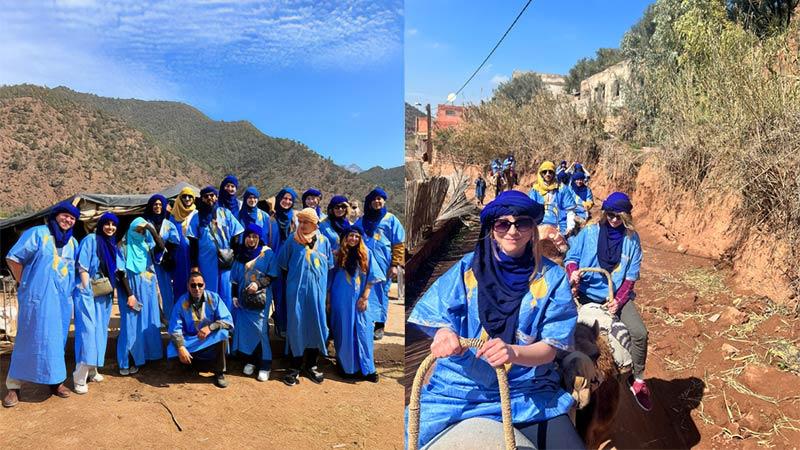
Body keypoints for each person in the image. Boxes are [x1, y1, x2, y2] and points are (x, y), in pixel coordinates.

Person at [406, 191, 583, 449]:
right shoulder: (467, 269)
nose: (512, 231)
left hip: (527, 392)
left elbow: (550, 348)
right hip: (458, 389)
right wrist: (444, 333)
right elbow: (438, 314)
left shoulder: (552, 278)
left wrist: (513, 352)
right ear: (492, 229)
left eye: (521, 223)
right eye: (503, 224)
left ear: (532, 228)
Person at [564, 192, 650, 411]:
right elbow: (572, 258)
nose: (613, 220)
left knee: (639, 333)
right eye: (610, 214)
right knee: (560, 331)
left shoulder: (632, 239)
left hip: (614, 296)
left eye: (618, 216)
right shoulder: (589, 233)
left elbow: (631, 276)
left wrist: (618, 301)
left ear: (626, 217)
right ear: (604, 214)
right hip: (581, 295)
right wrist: (573, 273)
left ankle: (637, 379)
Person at [3, 201, 80, 407]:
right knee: (28, 338)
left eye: (72, 218)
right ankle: (14, 387)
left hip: (60, 302)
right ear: (56, 216)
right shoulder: (38, 234)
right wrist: (24, 283)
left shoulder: (72, 243)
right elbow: (13, 258)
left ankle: (55, 382)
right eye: (65, 215)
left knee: (56, 341)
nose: (68, 220)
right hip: (36, 301)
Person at [277, 208, 334, 386]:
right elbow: (283, 265)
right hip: (296, 293)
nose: (302, 225)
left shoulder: (324, 242)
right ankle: (294, 367)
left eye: (306, 222)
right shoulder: (292, 241)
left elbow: (329, 266)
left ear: (315, 224)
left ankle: (311, 365)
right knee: (297, 326)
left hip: (317, 293)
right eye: (300, 221)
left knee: (316, 325)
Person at [72, 212, 126, 394]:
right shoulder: (91, 240)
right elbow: (83, 266)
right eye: (107, 223)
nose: (110, 227)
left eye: (113, 224)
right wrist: (88, 289)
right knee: (88, 332)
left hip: (104, 294)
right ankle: (79, 376)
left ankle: (92, 368)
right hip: (87, 293)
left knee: (100, 332)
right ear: (100, 224)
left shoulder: (113, 246)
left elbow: (120, 270)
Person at [328, 224, 384, 382]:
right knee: (344, 332)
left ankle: (368, 369)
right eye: (350, 236)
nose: (353, 239)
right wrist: (328, 299)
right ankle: (347, 368)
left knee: (364, 331)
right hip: (341, 300)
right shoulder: (337, 255)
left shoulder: (366, 254)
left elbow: (372, 277)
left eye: (356, 236)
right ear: (345, 238)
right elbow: (330, 278)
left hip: (360, 300)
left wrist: (365, 296)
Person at [167, 271, 234, 388]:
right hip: (191, 340)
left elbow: (227, 321)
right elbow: (174, 328)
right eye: (193, 285)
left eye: (200, 285)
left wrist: (210, 327)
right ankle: (191, 363)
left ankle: (219, 372)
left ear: (204, 285)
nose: (196, 288)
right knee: (174, 348)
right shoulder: (181, 302)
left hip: (208, 338)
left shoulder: (214, 298)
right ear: (188, 286)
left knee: (223, 333)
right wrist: (181, 347)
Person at [117, 216, 165, 375]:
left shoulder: (147, 244)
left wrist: (151, 229)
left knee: (148, 321)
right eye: (137, 229)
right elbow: (121, 273)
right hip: (132, 292)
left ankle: (146, 357)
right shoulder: (123, 247)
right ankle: (128, 360)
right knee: (131, 325)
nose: (140, 232)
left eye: (142, 230)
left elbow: (161, 247)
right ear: (130, 229)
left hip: (149, 291)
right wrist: (130, 295)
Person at [356, 187, 405, 341]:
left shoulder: (390, 219)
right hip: (364, 264)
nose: (377, 201)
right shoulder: (362, 221)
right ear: (370, 202)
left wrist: (395, 264)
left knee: (381, 293)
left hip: (384, 265)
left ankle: (379, 325)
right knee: (365, 292)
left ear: (384, 201)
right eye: (374, 199)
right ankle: (367, 322)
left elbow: (398, 244)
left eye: (380, 199)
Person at [231, 223, 277, 382]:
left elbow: (272, 275)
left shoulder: (267, 254)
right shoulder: (239, 255)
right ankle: (250, 360)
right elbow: (235, 280)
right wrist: (234, 296)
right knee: (246, 330)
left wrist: (258, 284)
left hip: (260, 299)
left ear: (259, 238)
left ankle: (265, 364)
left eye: (255, 237)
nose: (251, 240)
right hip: (243, 300)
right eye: (249, 236)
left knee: (260, 331)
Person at [187, 186, 244, 313]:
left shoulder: (225, 213)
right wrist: (194, 265)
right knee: (209, 291)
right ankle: (211, 319)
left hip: (225, 260)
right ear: (202, 199)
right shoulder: (197, 217)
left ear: (216, 197)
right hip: (206, 261)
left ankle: (227, 322)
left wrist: (233, 252)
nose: (209, 198)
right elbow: (193, 242)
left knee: (226, 290)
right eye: (206, 196)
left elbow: (237, 233)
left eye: (212, 195)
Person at [143, 194, 181, 322]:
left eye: (160, 205)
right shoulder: (145, 224)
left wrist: (168, 255)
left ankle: (169, 318)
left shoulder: (169, 224)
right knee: (151, 290)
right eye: (155, 204)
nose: (157, 207)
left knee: (166, 291)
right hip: (148, 262)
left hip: (164, 262)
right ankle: (154, 318)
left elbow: (175, 241)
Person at [528, 161, 576, 251]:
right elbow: (530, 211)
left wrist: (570, 227)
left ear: (554, 173)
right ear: (541, 174)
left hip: (560, 226)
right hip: (539, 225)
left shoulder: (562, 188)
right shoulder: (535, 190)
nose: (548, 174)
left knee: (572, 248)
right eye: (545, 172)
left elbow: (570, 210)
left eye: (550, 172)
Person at [272, 187, 298, 335]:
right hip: (274, 263)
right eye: (285, 198)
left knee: (289, 294)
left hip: (290, 264)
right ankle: (280, 324)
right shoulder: (271, 219)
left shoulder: (294, 220)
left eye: (290, 199)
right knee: (278, 294)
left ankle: (289, 326)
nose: (287, 201)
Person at [169, 186, 198, 302]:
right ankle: (180, 312)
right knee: (180, 282)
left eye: (190, 196)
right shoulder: (173, 215)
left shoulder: (197, 214)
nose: (187, 199)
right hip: (178, 255)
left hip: (194, 254)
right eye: (184, 196)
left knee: (195, 283)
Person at [238, 186, 279, 250]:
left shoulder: (264, 216)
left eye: (255, 198)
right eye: (250, 197)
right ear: (245, 199)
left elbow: (268, 235)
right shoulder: (239, 215)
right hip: (242, 251)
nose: (252, 200)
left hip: (259, 252)